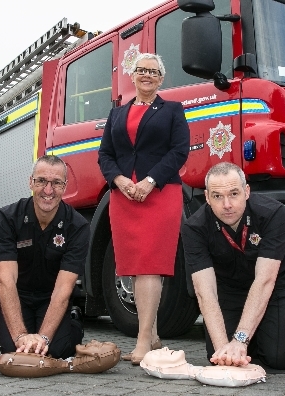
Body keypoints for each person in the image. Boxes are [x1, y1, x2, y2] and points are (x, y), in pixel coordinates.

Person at [98, 53, 189, 365]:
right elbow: (105, 156)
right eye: (141, 70)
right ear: (133, 76)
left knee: (150, 264)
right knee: (133, 266)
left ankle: (143, 341)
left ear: (161, 79)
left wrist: (150, 181)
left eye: (153, 71)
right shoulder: (117, 114)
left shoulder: (173, 110)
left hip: (159, 193)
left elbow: (179, 151)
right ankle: (151, 335)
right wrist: (120, 180)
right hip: (124, 195)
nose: (147, 75)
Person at [181, 162, 285, 371]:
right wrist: (224, 352)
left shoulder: (273, 214)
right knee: (215, 354)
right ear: (207, 198)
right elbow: (204, 291)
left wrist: (240, 340)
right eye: (217, 196)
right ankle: (254, 331)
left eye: (234, 194)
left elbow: (265, 280)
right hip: (229, 289)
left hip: (273, 288)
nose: (227, 204)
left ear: (246, 192)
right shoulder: (194, 227)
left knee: (278, 359)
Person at [0, 155, 89, 358]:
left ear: (65, 186)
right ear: (31, 182)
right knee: (14, 350)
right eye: (41, 181)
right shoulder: (7, 218)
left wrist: (43, 338)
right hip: (19, 296)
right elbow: (5, 280)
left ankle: (74, 320)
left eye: (56, 183)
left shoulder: (78, 226)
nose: (48, 190)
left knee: (54, 351)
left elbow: (64, 288)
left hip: (51, 297)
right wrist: (19, 335)